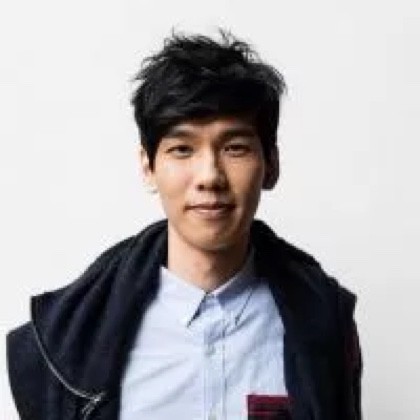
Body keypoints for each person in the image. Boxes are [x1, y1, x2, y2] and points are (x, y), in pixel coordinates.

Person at [6, 30, 363, 420]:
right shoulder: (67, 338)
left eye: (235, 148)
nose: (210, 176)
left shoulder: (325, 324)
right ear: (148, 166)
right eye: (182, 149)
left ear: (271, 165)